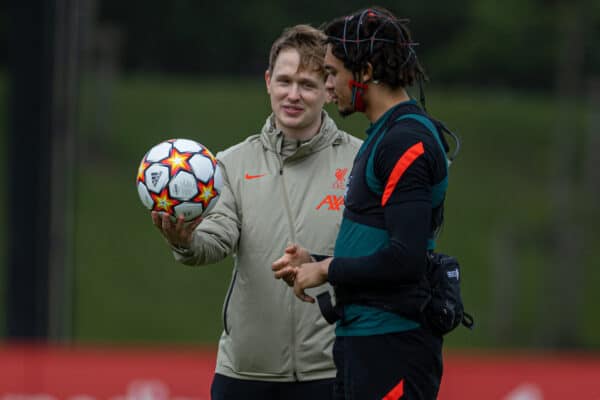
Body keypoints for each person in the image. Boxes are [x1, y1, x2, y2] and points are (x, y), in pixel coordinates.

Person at [152, 24, 361, 400]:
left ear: (329, 90)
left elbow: (378, 255)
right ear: (267, 81)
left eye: (307, 84)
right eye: (284, 81)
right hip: (245, 375)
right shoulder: (229, 164)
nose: (293, 95)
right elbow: (216, 239)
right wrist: (185, 242)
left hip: (333, 370)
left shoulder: (361, 161)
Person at [273, 8, 454, 400]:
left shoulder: (407, 142)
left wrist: (326, 269)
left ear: (366, 72)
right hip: (364, 341)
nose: (328, 84)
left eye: (333, 73)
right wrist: (316, 259)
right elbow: (379, 245)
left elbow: (404, 259)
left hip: (392, 344)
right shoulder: (384, 135)